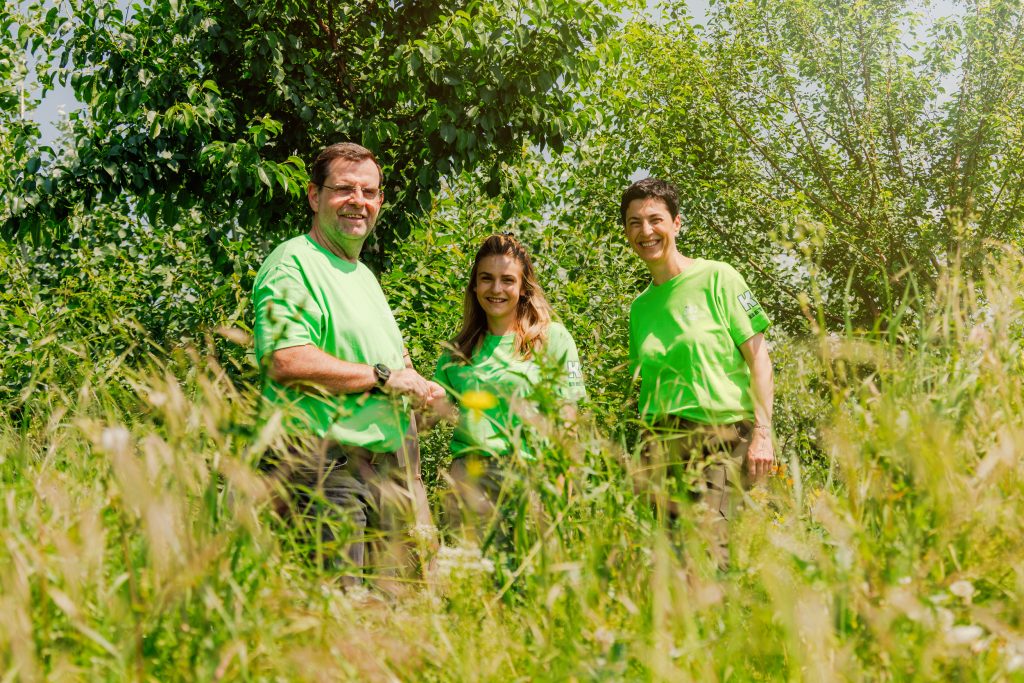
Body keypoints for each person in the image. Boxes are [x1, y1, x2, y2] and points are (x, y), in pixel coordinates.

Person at [253, 142, 441, 584]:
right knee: (336, 625)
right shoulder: (293, 262)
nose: (359, 202)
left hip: (380, 476)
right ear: (314, 196)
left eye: (370, 192)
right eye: (345, 189)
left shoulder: (363, 276)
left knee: (381, 624)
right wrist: (383, 378)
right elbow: (286, 359)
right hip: (322, 473)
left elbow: (394, 364)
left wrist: (418, 386)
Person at [621, 177, 774, 570]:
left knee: (709, 552)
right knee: (665, 564)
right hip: (660, 446)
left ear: (676, 223)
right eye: (634, 222)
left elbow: (758, 358)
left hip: (721, 439)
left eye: (655, 219)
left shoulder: (719, 277)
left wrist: (762, 433)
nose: (646, 231)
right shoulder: (640, 309)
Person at [430, 233, 586, 540]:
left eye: (507, 280)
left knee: (533, 581)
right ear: (474, 286)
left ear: (523, 287)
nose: (496, 289)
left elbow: (569, 417)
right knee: (472, 583)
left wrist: (564, 479)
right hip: (470, 481)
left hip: (532, 477)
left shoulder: (553, 339)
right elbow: (429, 415)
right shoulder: (458, 351)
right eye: (486, 279)